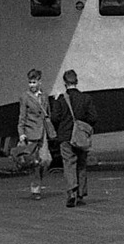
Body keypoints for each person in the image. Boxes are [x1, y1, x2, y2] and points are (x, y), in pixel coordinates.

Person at [51, 69, 99, 208]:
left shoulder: (60, 99)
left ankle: (71, 192)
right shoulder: (86, 99)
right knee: (81, 164)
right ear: (76, 81)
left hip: (65, 136)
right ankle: (81, 193)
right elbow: (93, 117)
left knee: (69, 164)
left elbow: (55, 118)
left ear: (65, 83)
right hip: (81, 136)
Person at [15, 68, 54, 199]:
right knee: (35, 162)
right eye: (30, 82)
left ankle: (37, 181)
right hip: (30, 132)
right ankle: (35, 189)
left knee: (47, 160)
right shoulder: (25, 97)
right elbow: (22, 117)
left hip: (42, 132)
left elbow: (47, 113)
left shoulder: (44, 96)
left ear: (39, 82)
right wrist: (21, 133)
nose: (31, 85)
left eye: (34, 82)